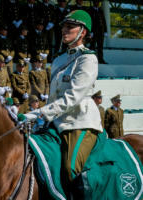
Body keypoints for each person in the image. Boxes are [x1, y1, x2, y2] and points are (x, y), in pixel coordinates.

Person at [25, 10, 103, 195]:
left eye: (70, 27)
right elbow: (54, 98)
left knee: (70, 168)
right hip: (57, 122)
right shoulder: (59, 59)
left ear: (82, 31)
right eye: (63, 27)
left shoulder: (87, 58)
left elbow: (73, 97)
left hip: (80, 123)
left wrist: (40, 113)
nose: (64, 30)